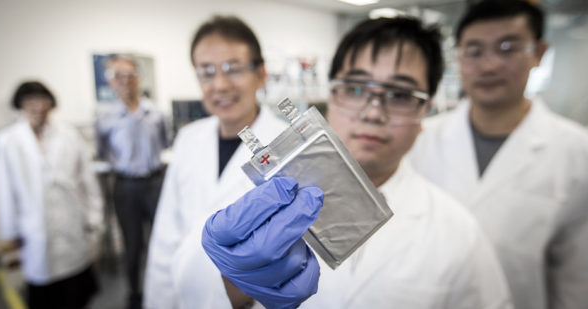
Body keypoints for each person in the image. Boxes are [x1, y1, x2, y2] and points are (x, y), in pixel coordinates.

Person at [200, 17, 513, 308]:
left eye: (401, 94)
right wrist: (233, 284)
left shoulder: (458, 233)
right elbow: (185, 283)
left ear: (425, 111)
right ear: (331, 96)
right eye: (355, 88)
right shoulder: (256, 195)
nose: (373, 112)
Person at [408, 1, 588, 308]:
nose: (489, 65)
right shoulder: (419, 138)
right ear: (460, 57)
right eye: (474, 51)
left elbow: (576, 278)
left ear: (539, 53)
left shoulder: (577, 152)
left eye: (507, 48)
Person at [143, 16, 288, 308]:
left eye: (233, 69)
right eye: (206, 72)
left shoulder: (287, 146)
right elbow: (165, 236)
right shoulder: (188, 139)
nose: (220, 85)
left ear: (261, 74)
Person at [0, 81, 103, 309]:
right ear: (20, 106)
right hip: (34, 228)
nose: (37, 107)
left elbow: (87, 181)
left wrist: (94, 218)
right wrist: (9, 232)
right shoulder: (7, 141)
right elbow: (5, 191)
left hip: (71, 222)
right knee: (44, 293)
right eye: (29, 101)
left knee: (77, 291)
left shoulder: (69, 134)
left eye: (41, 100)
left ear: (50, 104)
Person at [95, 54, 170, 309]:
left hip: (154, 182)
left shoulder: (156, 112)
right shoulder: (105, 117)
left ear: (139, 78)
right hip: (125, 186)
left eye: (130, 75)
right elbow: (102, 151)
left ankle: (165, 287)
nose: (125, 81)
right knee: (133, 243)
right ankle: (135, 294)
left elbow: (164, 142)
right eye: (119, 76)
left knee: (163, 237)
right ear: (111, 83)